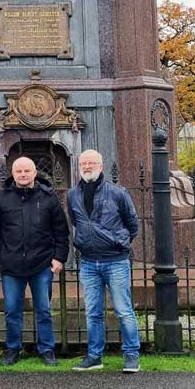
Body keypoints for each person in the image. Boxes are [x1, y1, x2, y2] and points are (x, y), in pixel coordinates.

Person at [0, 156, 70, 366]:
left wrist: (59, 258)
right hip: (12, 265)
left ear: (34, 173)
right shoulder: (1, 199)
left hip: (41, 264)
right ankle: (13, 349)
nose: (23, 174)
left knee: (44, 310)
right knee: (12, 310)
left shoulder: (49, 198)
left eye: (27, 171)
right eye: (19, 171)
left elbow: (61, 231)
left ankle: (47, 349)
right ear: (13, 174)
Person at [66, 149, 141, 373]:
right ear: (78, 166)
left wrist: (118, 242)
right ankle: (94, 356)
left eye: (91, 163)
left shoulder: (118, 193)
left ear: (101, 166)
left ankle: (131, 355)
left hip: (115, 261)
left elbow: (132, 224)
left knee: (123, 310)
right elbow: (76, 222)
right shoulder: (72, 195)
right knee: (93, 312)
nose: (87, 166)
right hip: (88, 262)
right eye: (83, 163)